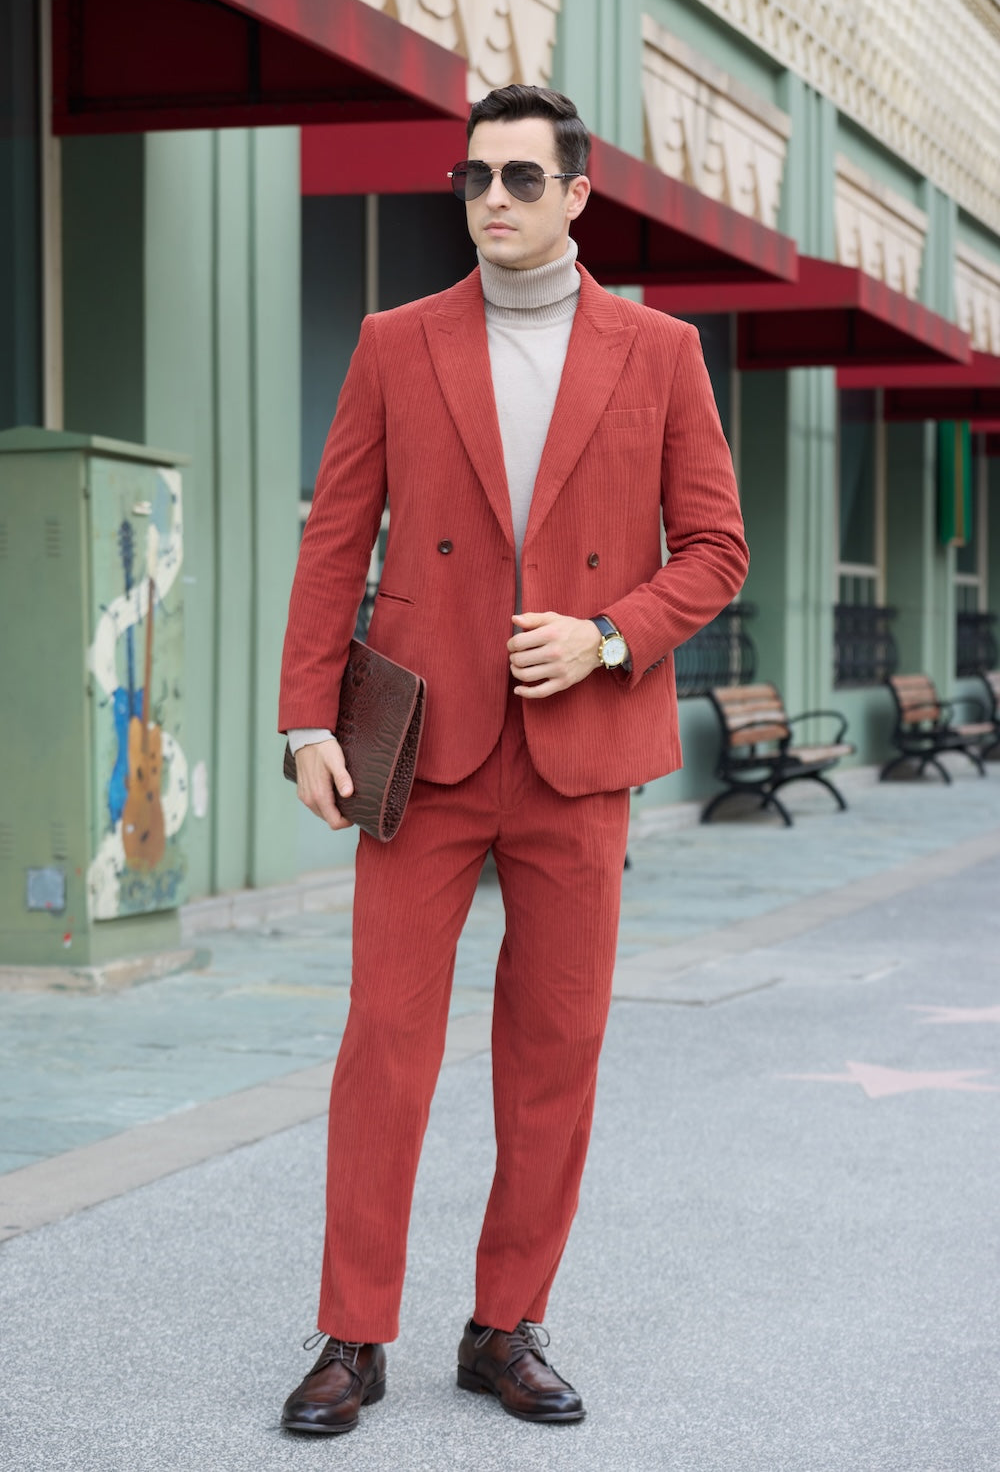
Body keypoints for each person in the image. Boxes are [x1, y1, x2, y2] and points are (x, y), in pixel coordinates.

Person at [277, 83, 748, 1434]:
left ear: (578, 196)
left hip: (578, 751)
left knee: (554, 1050)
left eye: (523, 179)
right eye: (476, 177)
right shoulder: (395, 339)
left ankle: (504, 1327)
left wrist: (608, 638)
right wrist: (308, 720)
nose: (494, 199)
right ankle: (353, 1336)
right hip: (418, 745)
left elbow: (716, 549)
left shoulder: (660, 352)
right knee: (384, 1046)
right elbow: (336, 540)